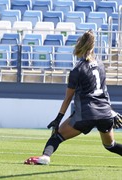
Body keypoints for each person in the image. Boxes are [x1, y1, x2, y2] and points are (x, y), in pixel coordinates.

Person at [24, 30, 122, 165]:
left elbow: (68, 98)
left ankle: (45, 157)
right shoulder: (100, 64)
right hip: (105, 113)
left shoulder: (77, 70)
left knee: (57, 136)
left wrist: (58, 119)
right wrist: (111, 112)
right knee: (110, 145)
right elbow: (104, 92)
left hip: (86, 114)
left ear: (79, 46)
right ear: (92, 47)